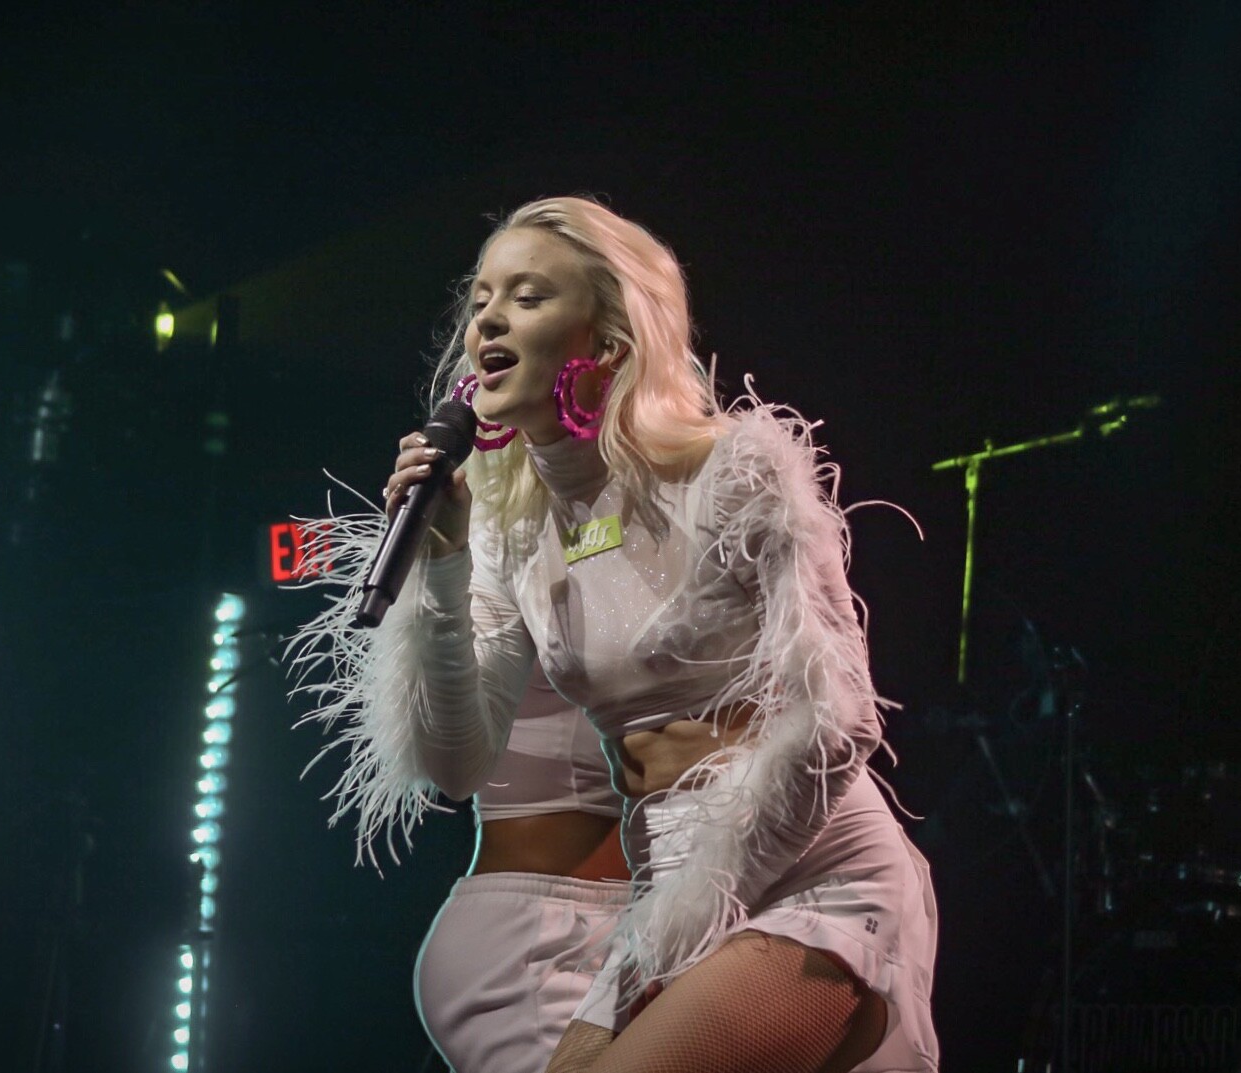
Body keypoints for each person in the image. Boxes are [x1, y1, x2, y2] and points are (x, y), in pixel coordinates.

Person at [302, 196, 938, 1072]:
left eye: (528, 296)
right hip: (670, 886)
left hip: (809, 871)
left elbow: (839, 720)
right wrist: (443, 563)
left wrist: (694, 906)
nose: (488, 318)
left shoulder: (732, 470)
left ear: (606, 340)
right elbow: (454, 765)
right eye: (481, 299)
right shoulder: (515, 528)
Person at [291, 551, 629, 1071]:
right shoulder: (505, 548)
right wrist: (444, 560)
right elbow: (451, 771)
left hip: (636, 923)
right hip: (536, 945)